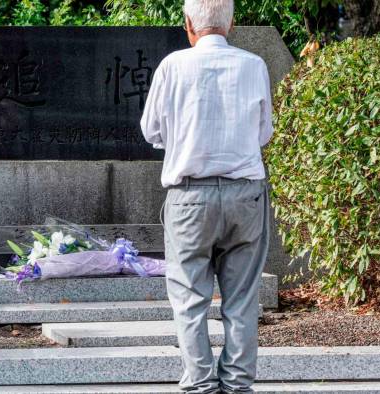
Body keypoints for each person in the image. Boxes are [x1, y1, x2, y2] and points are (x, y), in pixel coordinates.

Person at [140, 0, 274, 393]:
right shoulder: (254, 66)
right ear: (231, 22)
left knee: (189, 298)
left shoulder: (172, 66)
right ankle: (237, 383)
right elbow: (263, 133)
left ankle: (200, 383)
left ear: (187, 23)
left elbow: (151, 130)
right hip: (245, 195)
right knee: (243, 297)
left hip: (189, 195)